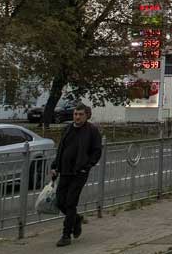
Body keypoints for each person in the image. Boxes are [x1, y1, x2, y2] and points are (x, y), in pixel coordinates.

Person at [51, 103, 103, 247]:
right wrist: (55, 166)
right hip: (65, 171)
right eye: (75, 114)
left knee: (70, 202)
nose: (77, 117)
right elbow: (61, 148)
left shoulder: (91, 131)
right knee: (60, 201)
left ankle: (66, 235)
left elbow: (96, 151)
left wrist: (87, 166)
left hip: (79, 172)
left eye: (81, 114)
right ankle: (76, 219)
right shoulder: (68, 129)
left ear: (87, 116)